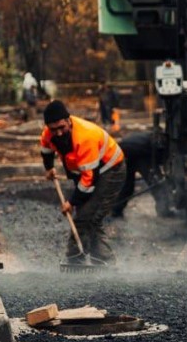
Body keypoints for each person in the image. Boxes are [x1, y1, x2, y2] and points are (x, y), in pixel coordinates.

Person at [40, 100, 126, 265]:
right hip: (87, 170)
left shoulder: (85, 138)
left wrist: (71, 202)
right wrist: (48, 167)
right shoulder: (49, 132)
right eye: (53, 129)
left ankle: (91, 262)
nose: (58, 133)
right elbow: (46, 148)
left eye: (61, 128)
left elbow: (88, 182)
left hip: (110, 170)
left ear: (68, 121)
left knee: (90, 216)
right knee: (86, 215)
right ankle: (91, 260)